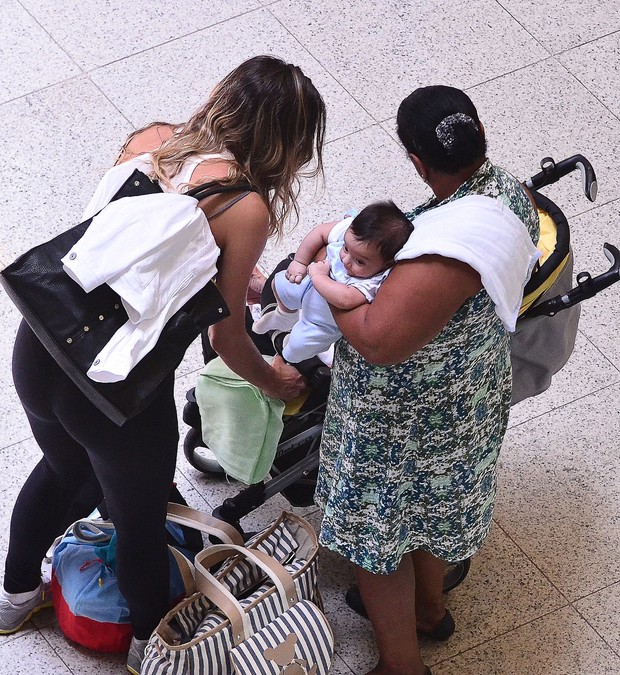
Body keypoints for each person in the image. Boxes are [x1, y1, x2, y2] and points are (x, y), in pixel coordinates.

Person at [0, 55, 326, 674]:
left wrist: (226, 273)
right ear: (284, 143)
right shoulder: (245, 205)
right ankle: (151, 649)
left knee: (65, 471)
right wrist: (275, 378)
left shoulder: (154, 139)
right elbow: (227, 338)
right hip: (115, 392)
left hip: (41, 347)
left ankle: (13, 599)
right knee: (139, 520)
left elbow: (131, 246)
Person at [313, 86, 540, 675]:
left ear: (416, 160)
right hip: (467, 394)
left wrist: (327, 287)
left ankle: (401, 665)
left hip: (403, 420)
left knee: (382, 534)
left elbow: (378, 339)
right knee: (430, 513)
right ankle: (429, 609)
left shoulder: (441, 249)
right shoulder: (507, 192)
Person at [252, 201, 413, 363]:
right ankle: (284, 315)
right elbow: (320, 232)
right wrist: (300, 262)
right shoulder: (352, 233)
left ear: (386, 264)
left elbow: (346, 299)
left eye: (360, 261)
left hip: (322, 321)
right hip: (308, 286)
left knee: (295, 349)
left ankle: (291, 344)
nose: (346, 259)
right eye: (346, 248)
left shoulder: (374, 281)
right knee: (278, 283)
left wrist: (318, 277)